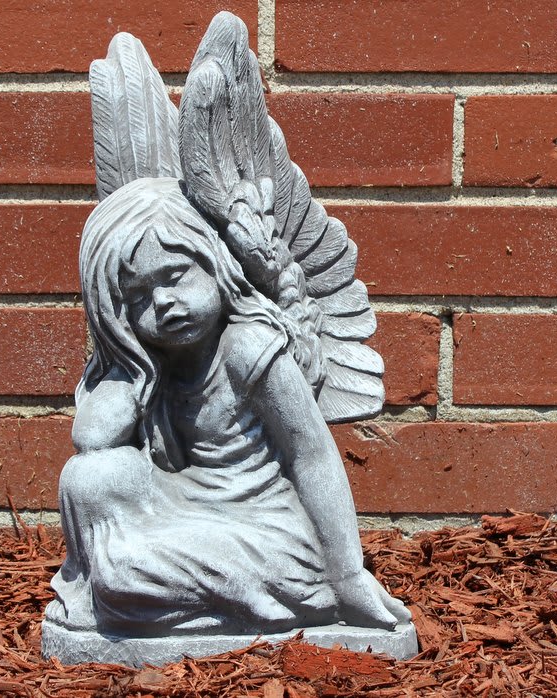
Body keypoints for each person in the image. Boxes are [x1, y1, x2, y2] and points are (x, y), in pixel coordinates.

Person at [47, 177, 410, 637]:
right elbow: (92, 438)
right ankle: (137, 597)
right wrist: (133, 365)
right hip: (185, 508)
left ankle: (250, 602)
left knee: (123, 568)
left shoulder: (246, 346)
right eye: (137, 296)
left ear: (215, 262)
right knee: (88, 476)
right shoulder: (156, 364)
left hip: (262, 527)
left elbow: (310, 453)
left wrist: (347, 573)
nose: (162, 302)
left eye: (175, 276)